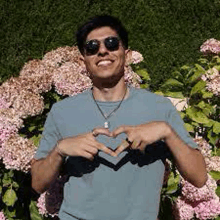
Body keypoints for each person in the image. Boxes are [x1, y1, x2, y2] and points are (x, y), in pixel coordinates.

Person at [31, 15, 207, 220]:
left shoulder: (159, 108)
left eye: (112, 43)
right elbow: (37, 183)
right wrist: (59, 150)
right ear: (83, 60)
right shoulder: (62, 111)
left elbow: (199, 177)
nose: (103, 50)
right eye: (92, 46)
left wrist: (166, 132)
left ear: (127, 54)